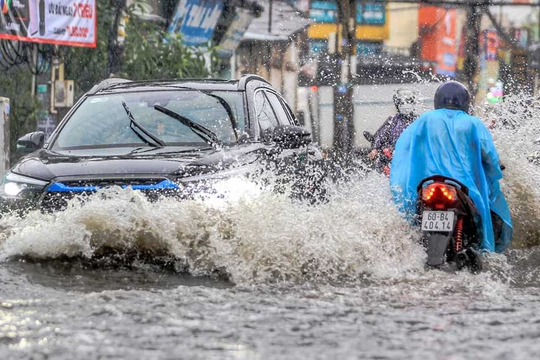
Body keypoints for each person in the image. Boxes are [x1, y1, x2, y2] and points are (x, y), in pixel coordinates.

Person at [390, 81, 513, 253]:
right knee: (487, 210)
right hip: (464, 187)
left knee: (413, 219)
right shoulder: (473, 123)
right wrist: (495, 170)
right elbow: (489, 155)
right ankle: (484, 250)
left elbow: (404, 147)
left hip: (427, 184)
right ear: (465, 102)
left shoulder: (425, 120)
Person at [369, 89, 419, 175]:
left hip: (414, 159)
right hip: (392, 158)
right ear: (397, 105)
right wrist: (375, 149)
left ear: (413, 103)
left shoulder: (419, 120)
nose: (405, 105)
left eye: (408, 102)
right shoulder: (392, 120)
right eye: (402, 103)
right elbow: (381, 135)